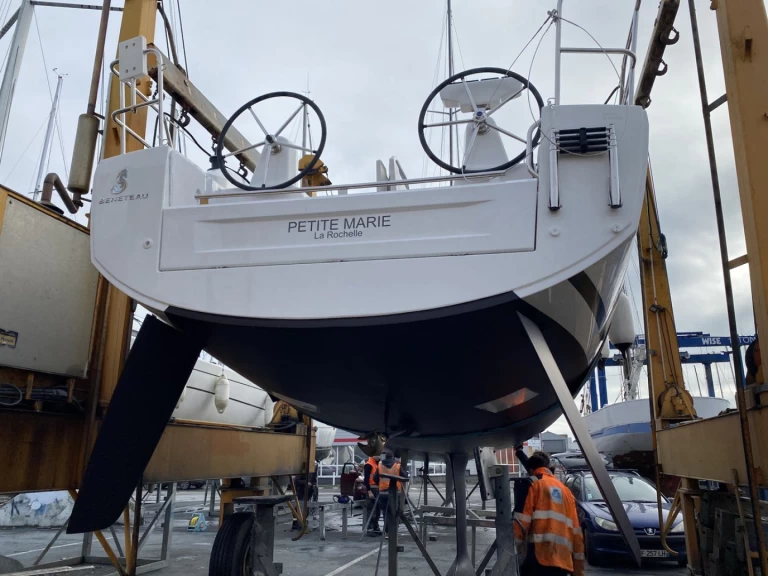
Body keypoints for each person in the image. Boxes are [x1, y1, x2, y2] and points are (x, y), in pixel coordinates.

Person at [513, 451, 584, 576]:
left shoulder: (532, 484)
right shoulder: (566, 491)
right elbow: (577, 533)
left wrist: (511, 552)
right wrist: (578, 570)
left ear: (530, 470)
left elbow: (521, 523)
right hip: (562, 562)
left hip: (538, 559)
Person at [374, 449, 407, 535]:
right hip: (395, 493)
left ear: (385, 457)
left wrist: (381, 483)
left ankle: (387, 530)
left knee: (385, 512)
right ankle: (394, 530)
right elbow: (405, 477)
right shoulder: (397, 466)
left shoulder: (380, 465)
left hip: (383, 493)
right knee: (395, 511)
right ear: (392, 457)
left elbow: (375, 478)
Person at [363, 454, 381, 535]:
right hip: (372, 489)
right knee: (371, 510)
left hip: (377, 489)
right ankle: (370, 529)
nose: (378, 457)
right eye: (377, 455)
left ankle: (375, 527)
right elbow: (366, 479)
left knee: (377, 510)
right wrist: (369, 491)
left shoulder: (377, 463)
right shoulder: (369, 464)